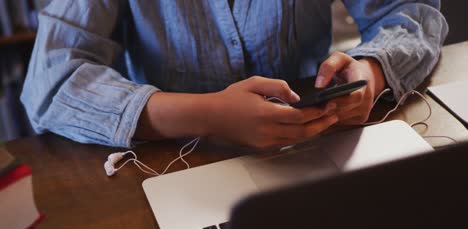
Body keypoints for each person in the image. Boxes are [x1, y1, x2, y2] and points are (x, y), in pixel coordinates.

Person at [21, 1, 448, 148]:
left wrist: (370, 74)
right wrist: (209, 115)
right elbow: (51, 80)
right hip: (175, 164)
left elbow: (411, 12)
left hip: (318, 144)